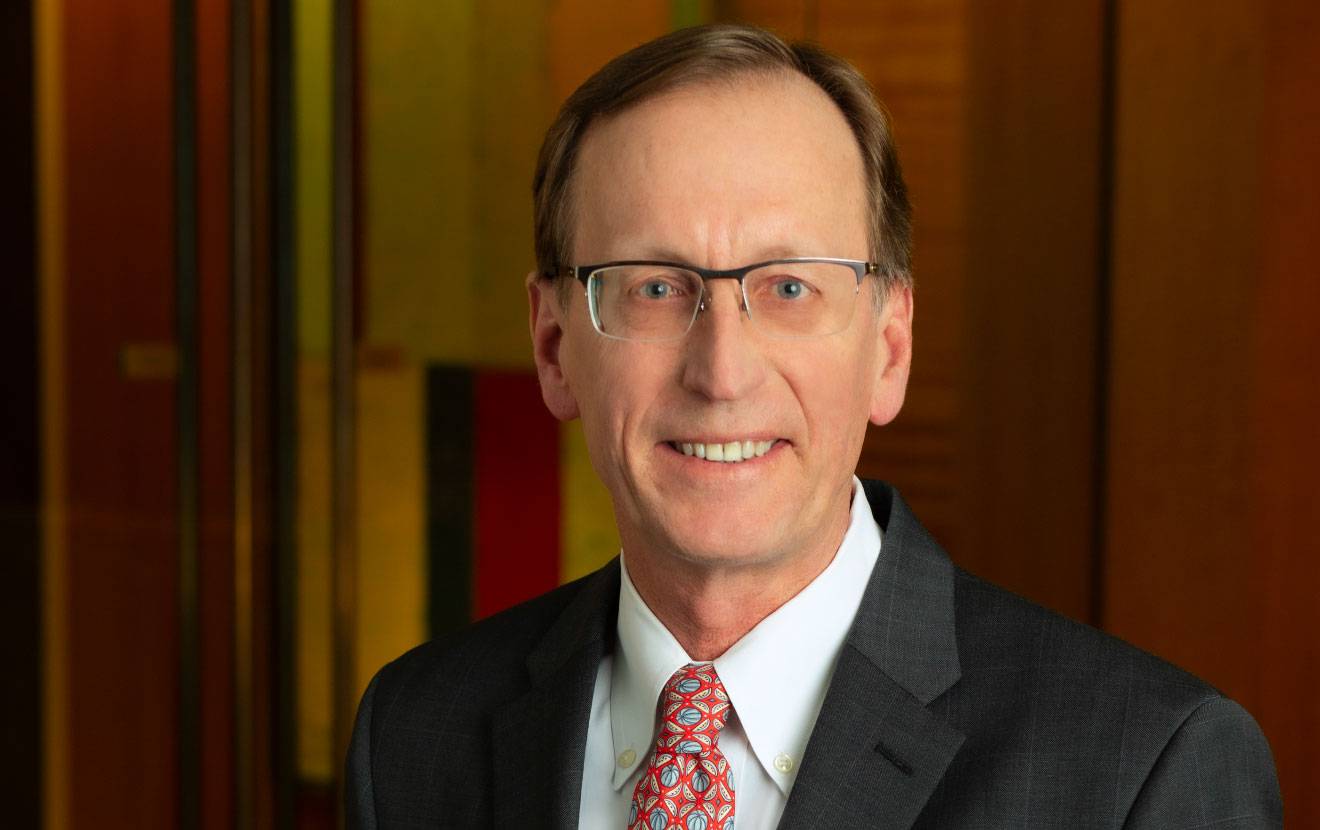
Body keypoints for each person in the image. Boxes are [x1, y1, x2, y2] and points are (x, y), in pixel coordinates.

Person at [346, 24, 1281, 829]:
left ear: (890, 347)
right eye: (655, 288)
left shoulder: (1142, 772)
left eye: (789, 287)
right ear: (554, 346)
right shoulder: (414, 735)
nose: (722, 373)